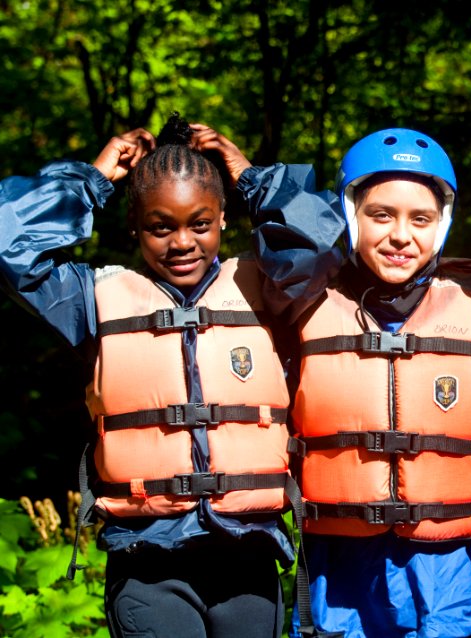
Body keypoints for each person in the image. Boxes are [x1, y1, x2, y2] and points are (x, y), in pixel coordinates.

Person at [0, 114, 304, 637]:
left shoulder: (270, 287)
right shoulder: (93, 300)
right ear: (135, 228)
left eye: (199, 223)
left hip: (248, 561)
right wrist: (91, 181)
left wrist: (249, 174)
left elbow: (321, 244)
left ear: (224, 218)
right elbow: (8, 243)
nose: (181, 242)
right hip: (145, 561)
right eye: (161, 226)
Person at [199, 126, 471, 638]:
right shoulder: (304, 298)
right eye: (380, 215)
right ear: (350, 217)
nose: (401, 235)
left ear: (444, 225)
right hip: (337, 567)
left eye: (421, 219)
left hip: (447, 568)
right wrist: (254, 179)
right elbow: (296, 241)